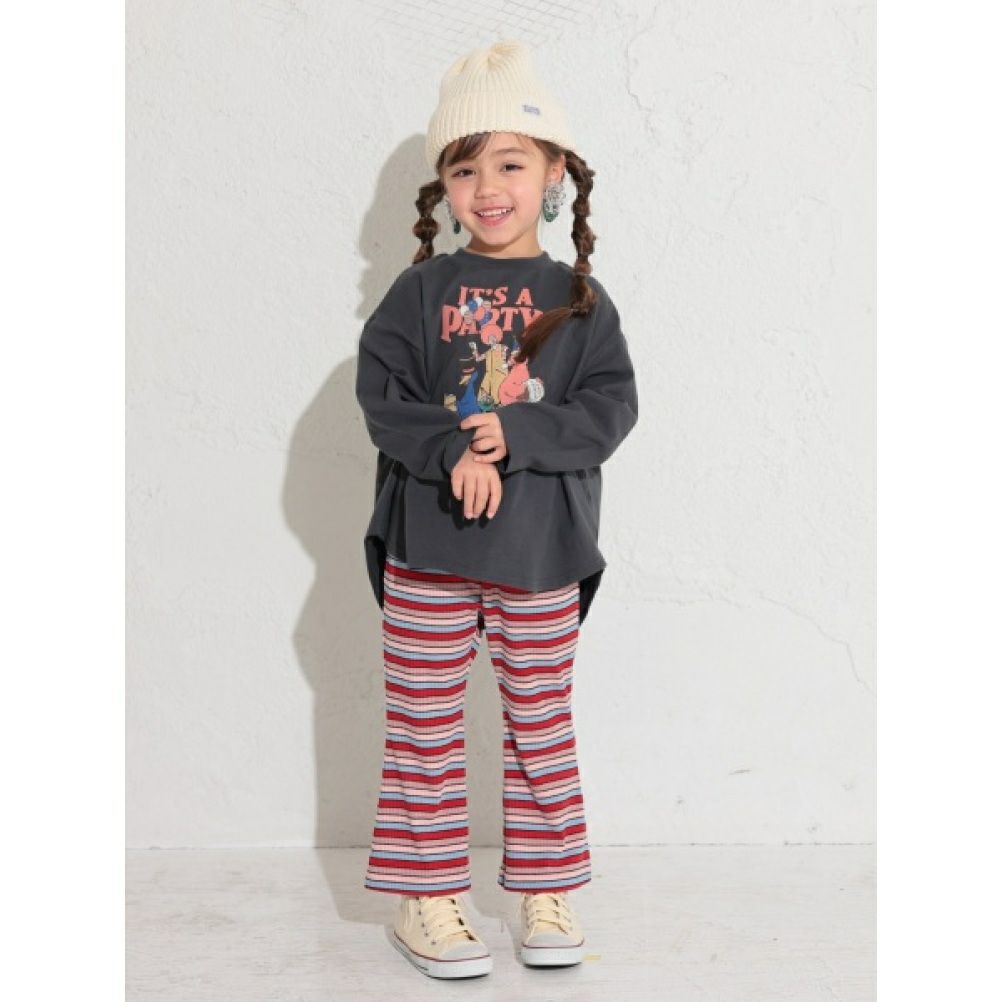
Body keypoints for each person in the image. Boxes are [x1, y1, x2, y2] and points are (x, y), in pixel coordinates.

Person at [354, 39, 639, 980]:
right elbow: (383, 397)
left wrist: (509, 437)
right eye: (464, 167)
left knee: (539, 722)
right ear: (443, 184)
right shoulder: (418, 291)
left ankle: (545, 891)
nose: (487, 187)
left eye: (511, 164)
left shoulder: (581, 300)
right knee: (424, 726)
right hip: (427, 549)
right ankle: (426, 896)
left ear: (555, 173)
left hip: (541, 551)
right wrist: (452, 450)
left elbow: (608, 409)